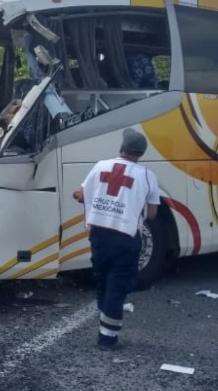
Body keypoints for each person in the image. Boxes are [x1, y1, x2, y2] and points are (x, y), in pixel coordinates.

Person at [72, 128, 159, 351]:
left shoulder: (101, 166)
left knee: (102, 276)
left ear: (122, 148)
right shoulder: (147, 175)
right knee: (118, 285)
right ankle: (107, 339)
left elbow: (82, 195)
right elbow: (151, 214)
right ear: (140, 153)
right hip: (125, 237)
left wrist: (83, 197)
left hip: (99, 235)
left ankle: (106, 312)